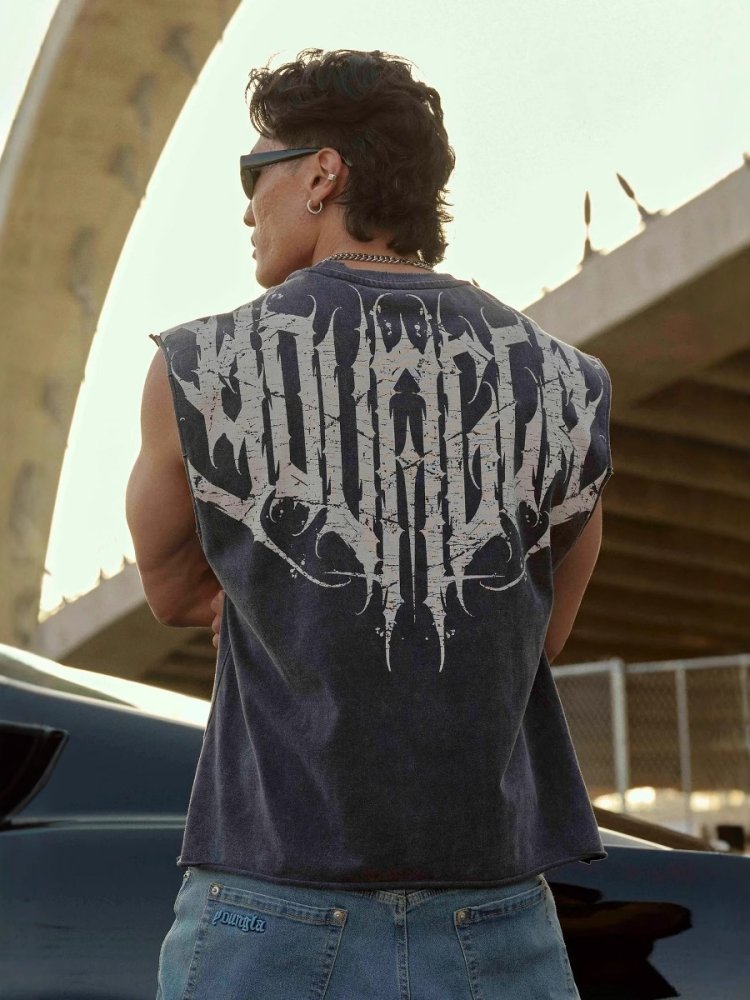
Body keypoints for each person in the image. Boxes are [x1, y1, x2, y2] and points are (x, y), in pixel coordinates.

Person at [126, 47, 613, 1000]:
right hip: (493, 921)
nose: (247, 207)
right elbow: (539, 632)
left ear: (322, 173)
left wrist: (293, 601)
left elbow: (174, 592)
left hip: (268, 910)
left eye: (252, 172)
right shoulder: (569, 383)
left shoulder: (197, 366)